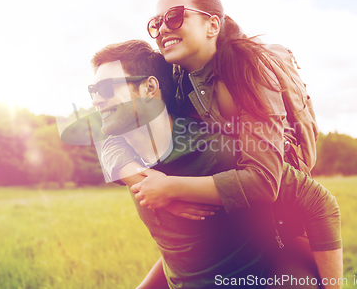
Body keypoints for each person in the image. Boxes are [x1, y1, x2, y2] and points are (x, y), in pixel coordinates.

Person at [90, 40, 342, 288]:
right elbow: (107, 149)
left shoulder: (216, 149)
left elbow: (320, 203)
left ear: (149, 88)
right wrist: (164, 193)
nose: (96, 100)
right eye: (93, 91)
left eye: (106, 89)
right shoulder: (122, 150)